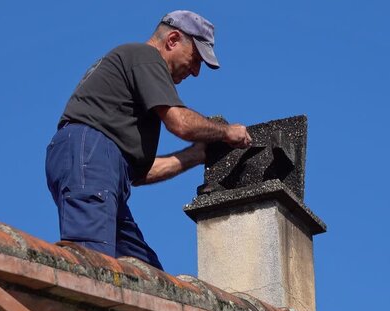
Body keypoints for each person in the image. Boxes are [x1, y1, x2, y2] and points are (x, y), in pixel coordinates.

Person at [45, 10, 252, 270]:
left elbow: (139, 174)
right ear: (173, 40)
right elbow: (180, 122)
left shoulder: (131, 85)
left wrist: (196, 155)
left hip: (100, 163)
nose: (196, 71)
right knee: (94, 266)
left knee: (148, 277)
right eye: (196, 58)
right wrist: (225, 132)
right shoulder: (145, 57)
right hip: (88, 152)